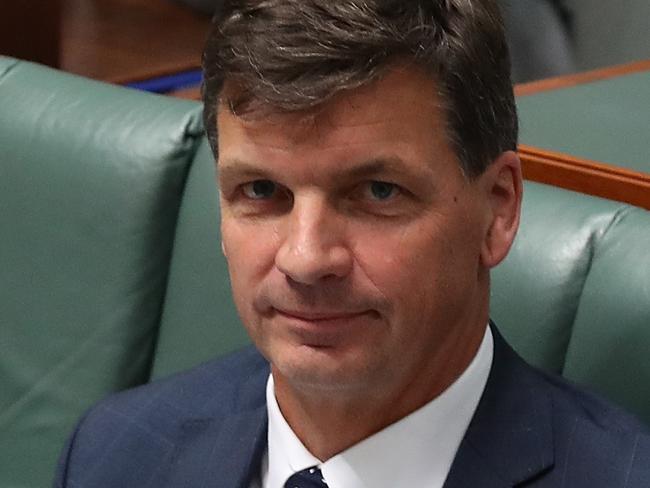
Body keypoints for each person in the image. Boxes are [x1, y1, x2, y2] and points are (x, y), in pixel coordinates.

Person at [54, 1, 650, 487]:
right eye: (262, 190)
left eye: (378, 192)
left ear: (497, 209)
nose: (306, 259)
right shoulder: (113, 455)